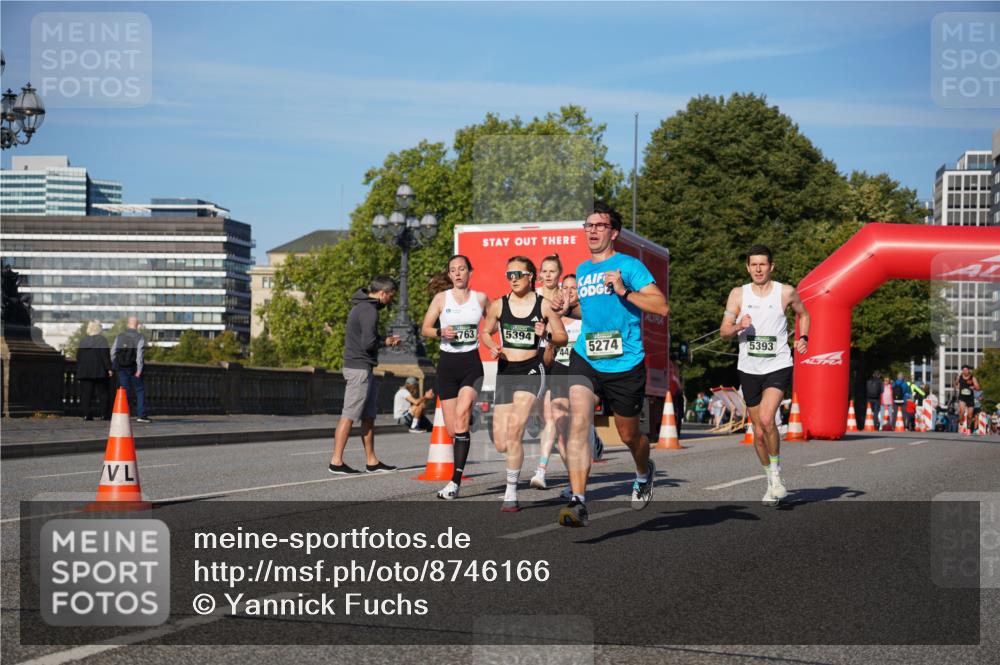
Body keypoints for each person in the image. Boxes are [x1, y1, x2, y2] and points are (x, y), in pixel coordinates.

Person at [550, 201, 669, 527]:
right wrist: (566, 311)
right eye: (587, 225)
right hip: (586, 357)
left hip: (625, 363)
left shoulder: (629, 267)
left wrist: (623, 290)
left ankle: (644, 472)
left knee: (629, 435)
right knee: (578, 422)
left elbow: (661, 306)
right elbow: (588, 314)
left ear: (613, 232)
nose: (591, 230)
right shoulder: (584, 269)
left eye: (599, 225)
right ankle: (578, 501)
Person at [720, 244, 810, 507]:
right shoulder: (738, 294)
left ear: (771, 266)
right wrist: (738, 326)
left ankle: (777, 475)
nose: (758, 269)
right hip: (748, 368)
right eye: (754, 265)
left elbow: (803, 314)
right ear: (748, 267)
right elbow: (724, 331)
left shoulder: (786, 292)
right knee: (758, 431)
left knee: (768, 419)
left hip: (778, 365)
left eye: (763, 264)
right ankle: (770, 478)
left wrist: (803, 337)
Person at [481, 256, 567, 512]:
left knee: (514, 431)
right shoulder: (498, 305)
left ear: (531, 276)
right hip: (506, 371)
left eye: (518, 274)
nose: (514, 279)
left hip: (532, 369)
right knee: (501, 443)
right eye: (509, 275)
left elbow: (561, 336)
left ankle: (511, 493)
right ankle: (534, 421)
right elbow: (485, 332)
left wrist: (547, 335)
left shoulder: (543, 306)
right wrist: (492, 346)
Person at [420, 255, 489, 500]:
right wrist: (441, 331)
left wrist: (494, 344)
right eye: (453, 270)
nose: (458, 273)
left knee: (461, 418)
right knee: (452, 429)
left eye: (462, 269)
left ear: (470, 271)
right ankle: (470, 416)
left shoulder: (481, 299)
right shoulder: (441, 299)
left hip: (471, 364)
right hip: (447, 367)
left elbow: (492, 325)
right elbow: (425, 328)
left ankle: (454, 482)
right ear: (449, 275)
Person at [328, 276, 401, 475]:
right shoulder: (369, 310)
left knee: (368, 416)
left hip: (362, 367)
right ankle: (336, 461)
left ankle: (372, 461)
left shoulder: (362, 307)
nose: (390, 300)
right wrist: (386, 341)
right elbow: (368, 343)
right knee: (349, 414)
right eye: (391, 296)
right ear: (383, 293)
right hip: (358, 368)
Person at [111, 316, 150, 423]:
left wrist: (114, 363)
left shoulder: (120, 336)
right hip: (134, 368)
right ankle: (141, 415)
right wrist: (139, 369)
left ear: (128, 324)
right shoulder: (139, 337)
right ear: (137, 325)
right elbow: (139, 355)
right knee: (139, 391)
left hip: (121, 368)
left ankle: (124, 414)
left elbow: (113, 351)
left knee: (124, 390)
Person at [77, 320, 112, 421]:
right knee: (103, 393)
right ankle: (104, 414)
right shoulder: (102, 340)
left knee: (86, 394)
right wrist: (109, 368)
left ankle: (86, 414)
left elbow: (78, 356)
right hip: (99, 371)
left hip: (84, 371)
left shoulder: (83, 341)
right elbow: (104, 356)